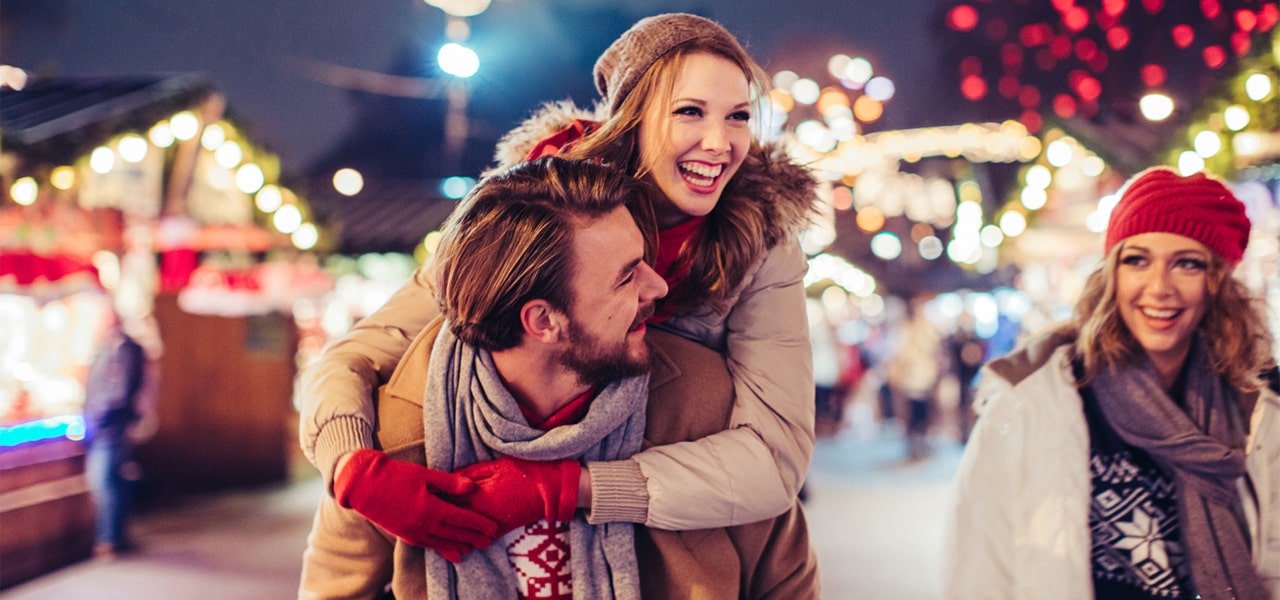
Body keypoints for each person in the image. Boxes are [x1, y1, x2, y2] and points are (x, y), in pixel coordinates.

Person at [298, 11, 817, 545]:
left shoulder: (759, 240)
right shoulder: (526, 212)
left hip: (667, 532)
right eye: (689, 111)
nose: (720, 142)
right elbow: (358, 354)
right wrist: (351, 468)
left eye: (737, 117)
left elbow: (774, 457)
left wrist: (575, 487)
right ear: (630, 119)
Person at [298, 157, 817, 599]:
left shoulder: (703, 403)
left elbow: (787, 582)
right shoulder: (399, 435)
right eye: (626, 275)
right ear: (543, 321)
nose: (657, 286)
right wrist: (349, 467)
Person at [943, 168, 1280, 600]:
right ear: (1112, 274)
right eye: (1136, 260)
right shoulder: (1032, 399)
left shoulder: (1257, 406)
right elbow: (979, 566)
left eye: (1187, 264)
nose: (1159, 287)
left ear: (1216, 281)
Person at [83, 306, 150, 558]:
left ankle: (109, 539)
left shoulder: (123, 349)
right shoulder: (107, 347)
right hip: (106, 424)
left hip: (110, 426)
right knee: (113, 481)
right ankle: (115, 535)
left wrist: (99, 419)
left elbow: (119, 392)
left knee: (104, 481)